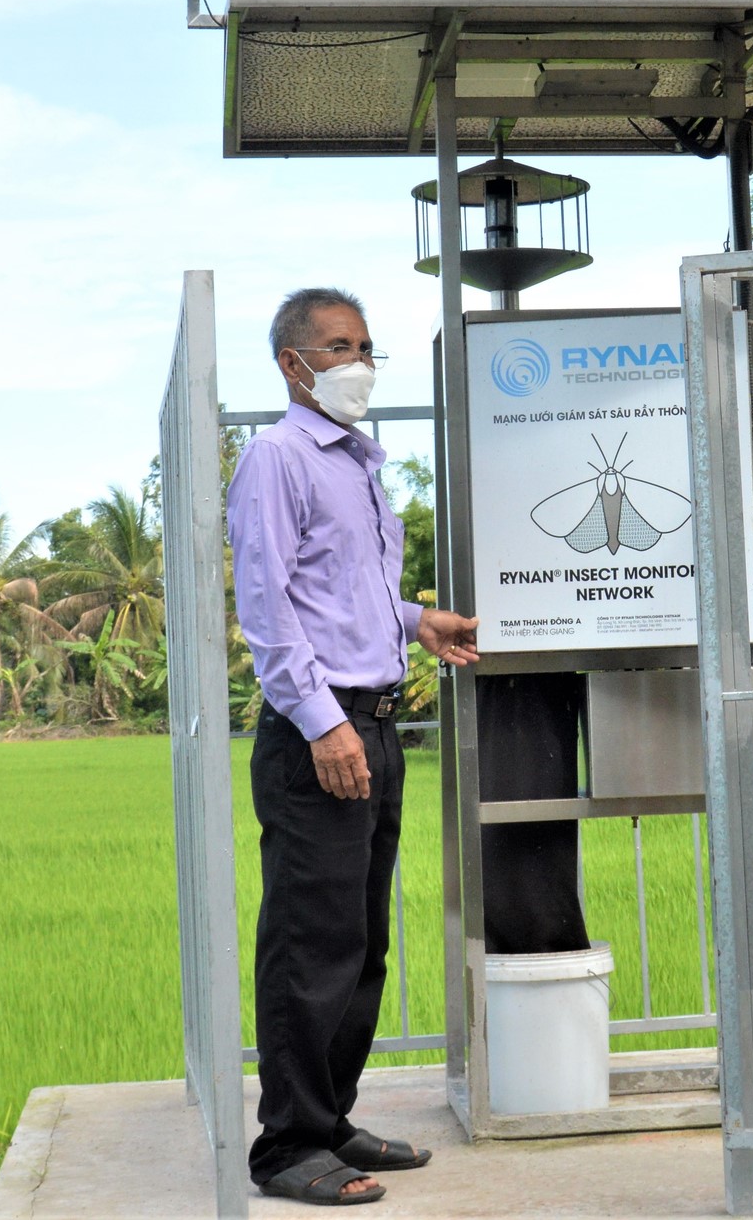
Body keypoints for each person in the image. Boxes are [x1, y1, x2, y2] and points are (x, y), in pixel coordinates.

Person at [228, 286, 480, 1207]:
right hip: (320, 730)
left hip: (373, 720)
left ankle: (329, 1118)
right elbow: (269, 608)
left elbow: (353, 591)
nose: (357, 361)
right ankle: (287, 1146)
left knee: (361, 937)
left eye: (366, 345)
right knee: (311, 939)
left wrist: (420, 619)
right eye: (337, 346)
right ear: (292, 364)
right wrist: (324, 722)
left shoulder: (359, 461)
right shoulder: (276, 457)